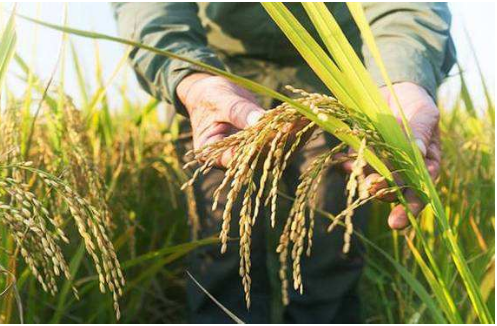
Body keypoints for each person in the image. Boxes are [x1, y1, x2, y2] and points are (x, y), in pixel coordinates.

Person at [113, 3, 455, 323]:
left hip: (332, 70)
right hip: (216, 69)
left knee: (330, 244)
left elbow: (406, 7)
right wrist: (190, 75)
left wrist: (402, 81)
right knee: (220, 241)